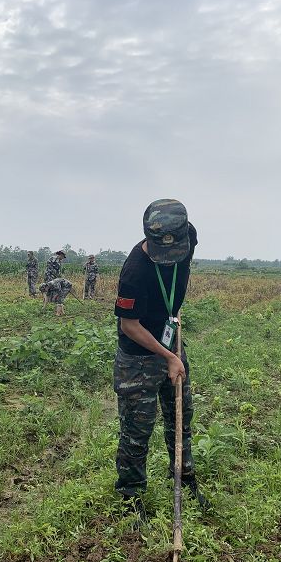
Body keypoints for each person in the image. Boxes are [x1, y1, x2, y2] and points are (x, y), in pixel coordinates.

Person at [112, 199, 208, 521]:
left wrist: (172, 345)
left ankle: (184, 477)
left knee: (181, 416)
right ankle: (131, 496)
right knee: (136, 429)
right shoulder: (134, 271)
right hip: (138, 356)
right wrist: (169, 357)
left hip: (170, 341)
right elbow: (129, 325)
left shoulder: (189, 238)